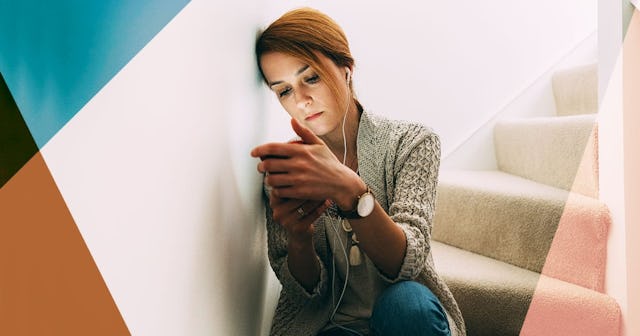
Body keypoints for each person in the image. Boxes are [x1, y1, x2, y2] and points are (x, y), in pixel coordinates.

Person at [250, 7, 465, 336]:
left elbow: (407, 262)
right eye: (284, 90)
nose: (302, 100)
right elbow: (302, 291)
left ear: (346, 70)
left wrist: (350, 191)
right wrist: (299, 238)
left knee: (406, 305)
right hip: (332, 323)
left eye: (311, 77)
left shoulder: (412, 143)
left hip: (405, 314)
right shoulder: (287, 170)